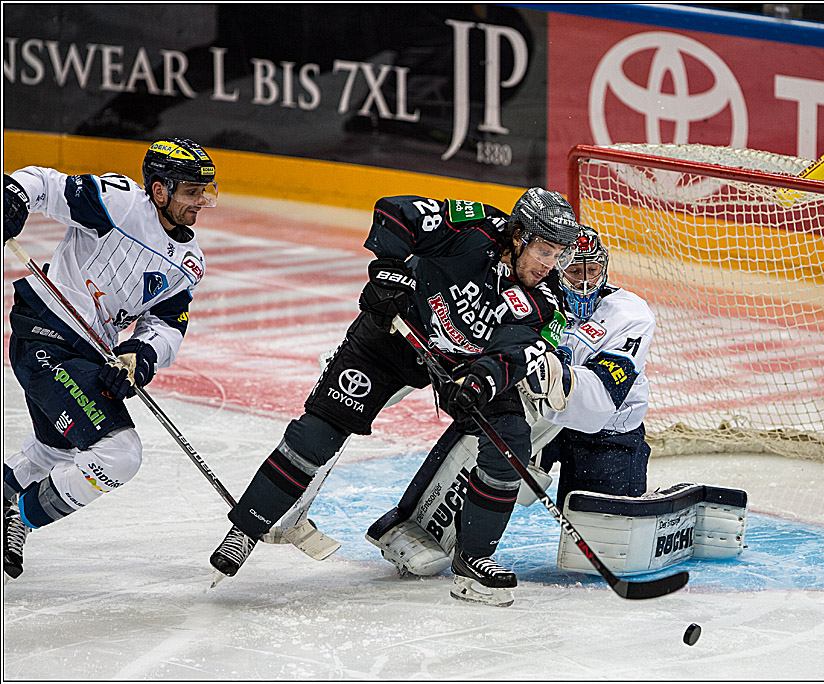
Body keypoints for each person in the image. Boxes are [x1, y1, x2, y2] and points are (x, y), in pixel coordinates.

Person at [208, 188, 581, 607]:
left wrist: (480, 383)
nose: (549, 264)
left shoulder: (545, 300)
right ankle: (246, 529)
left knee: (509, 441)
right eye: (544, 250)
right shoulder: (474, 228)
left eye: (559, 255)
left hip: (461, 366)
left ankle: (474, 560)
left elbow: (513, 352)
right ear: (518, 235)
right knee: (318, 434)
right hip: (391, 337)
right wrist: (389, 272)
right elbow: (397, 211)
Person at [364, 225, 660, 575]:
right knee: (485, 422)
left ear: (604, 268)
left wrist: (557, 377)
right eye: (573, 271)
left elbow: (601, 401)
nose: (583, 282)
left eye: (591, 270)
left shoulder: (629, 314)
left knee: (601, 555)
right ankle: (418, 523)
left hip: (605, 434)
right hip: (537, 418)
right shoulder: (529, 296)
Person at [3, 139, 218, 583]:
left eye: (205, 191)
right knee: (119, 454)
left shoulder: (189, 262)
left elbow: (166, 324)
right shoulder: (117, 202)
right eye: (191, 192)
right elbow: (45, 184)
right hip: (45, 334)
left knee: (53, 450)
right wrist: (13, 197)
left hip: (88, 354)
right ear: (159, 190)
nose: (201, 201)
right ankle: (20, 517)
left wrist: (140, 356)